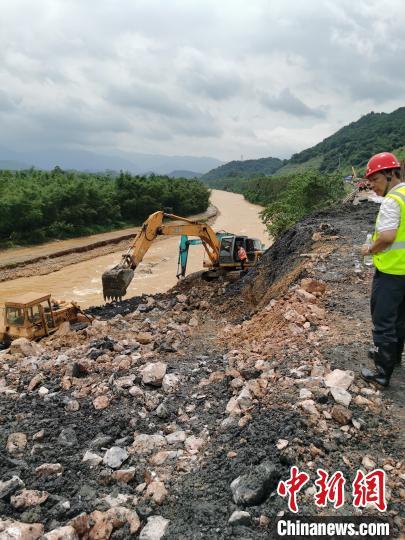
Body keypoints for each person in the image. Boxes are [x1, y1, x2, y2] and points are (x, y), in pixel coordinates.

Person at [360, 151, 405, 387]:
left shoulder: (392, 200)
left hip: (391, 272)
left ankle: (381, 373)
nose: (372, 186)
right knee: (400, 319)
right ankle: (394, 358)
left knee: (383, 321)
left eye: (375, 180)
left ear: (390, 175)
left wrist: (370, 249)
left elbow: (387, 236)